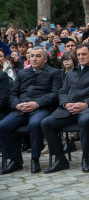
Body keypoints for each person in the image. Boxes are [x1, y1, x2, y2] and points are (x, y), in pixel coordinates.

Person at [41, 44, 89, 174]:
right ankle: (60, 159)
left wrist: (85, 104)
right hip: (69, 108)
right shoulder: (72, 72)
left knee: (85, 121)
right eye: (78, 55)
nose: (81, 57)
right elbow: (62, 92)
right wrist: (66, 104)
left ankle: (85, 159)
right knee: (46, 123)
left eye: (84, 54)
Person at [0, 47, 63, 175]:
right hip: (21, 109)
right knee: (3, 125)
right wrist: (17, 105)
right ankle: (15, 160)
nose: (34, 58)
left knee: (35, 124)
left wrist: (37, 103)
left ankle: (35, 159)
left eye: (38, 56)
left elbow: (55, 94)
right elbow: (13, 94)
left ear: (45, 59)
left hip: (41, 108)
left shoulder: (54, 72)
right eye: (32, 56)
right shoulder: (23, 73)